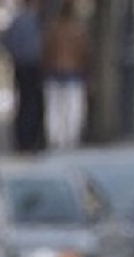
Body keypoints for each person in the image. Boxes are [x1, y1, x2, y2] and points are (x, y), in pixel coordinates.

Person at [41, 0, 89, 150]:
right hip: (73, 73)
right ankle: (71, 139)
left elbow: (45, 51)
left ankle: (55, 138)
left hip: (54, 72)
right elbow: (84, 53)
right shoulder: (78, 30)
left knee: (54, 108)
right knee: (73, 107)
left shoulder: (52, 29)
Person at [2, 0, 45, 153]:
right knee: (32, 102)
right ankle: (30, 139)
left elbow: (7, 42)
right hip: (33, 66)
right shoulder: (35, 20)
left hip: (20, 65)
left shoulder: (17, 20)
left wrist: (16, 56)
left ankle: (23, 139)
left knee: (23, 101)